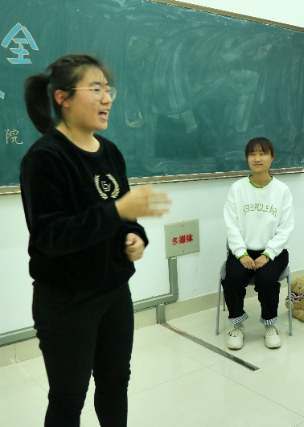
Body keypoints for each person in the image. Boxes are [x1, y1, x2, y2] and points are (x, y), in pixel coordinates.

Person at [20, 54, 171, 427]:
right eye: (96, 89)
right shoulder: (44, 157)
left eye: (108, 90)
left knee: (116, 382)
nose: (107, 99)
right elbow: (50, 236)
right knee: (68, 398)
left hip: (114, 293)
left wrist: (135, 236)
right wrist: (118, 211)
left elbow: (126, 218)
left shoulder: (110, 152)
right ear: (63, 98)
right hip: (67, 302)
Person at [222, 137, 294, 350]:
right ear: (247, 158)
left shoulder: (282, 190)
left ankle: (270, 326)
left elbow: (285, 229)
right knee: (233, 278)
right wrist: (241, 254)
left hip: (274, 252)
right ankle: (237, 326)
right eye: (252, 154)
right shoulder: (237, 188)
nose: (257, 158)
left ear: (272, 157)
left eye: (262, 153)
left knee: (267, 279)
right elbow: (231, 226)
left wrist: (267, 254)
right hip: (243, 251)